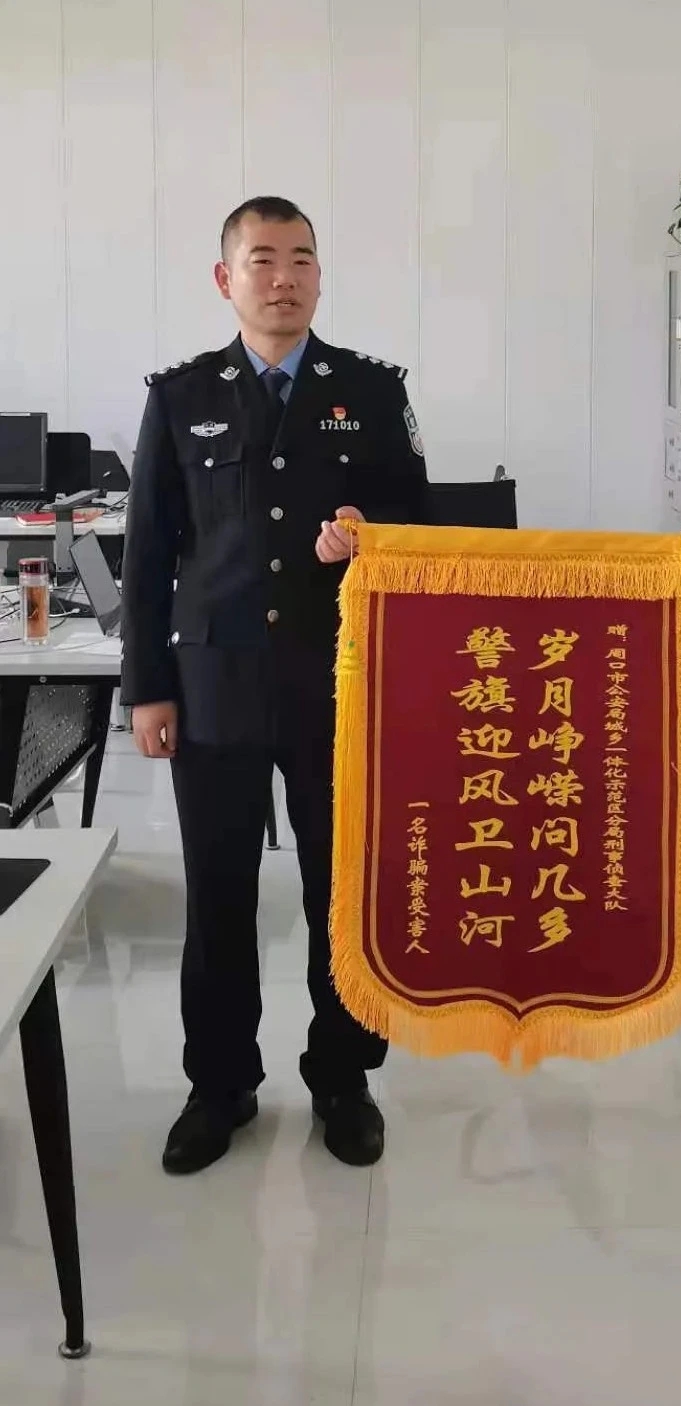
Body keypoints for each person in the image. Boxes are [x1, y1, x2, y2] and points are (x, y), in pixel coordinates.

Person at [121, 195, 428, 1175]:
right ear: (227, 278)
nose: (283, 277)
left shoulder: (370, 391)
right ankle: (219, 1084)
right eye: (262, 259)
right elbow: (147, 552)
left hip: (339, 679)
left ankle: (343, 1078)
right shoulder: (181, 397)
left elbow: (421, 529)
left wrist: (369, 534)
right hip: (213, 679)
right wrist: (148, 688)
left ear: (319, 275)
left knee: (343, 887)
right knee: (218, 890)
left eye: (301, 258)